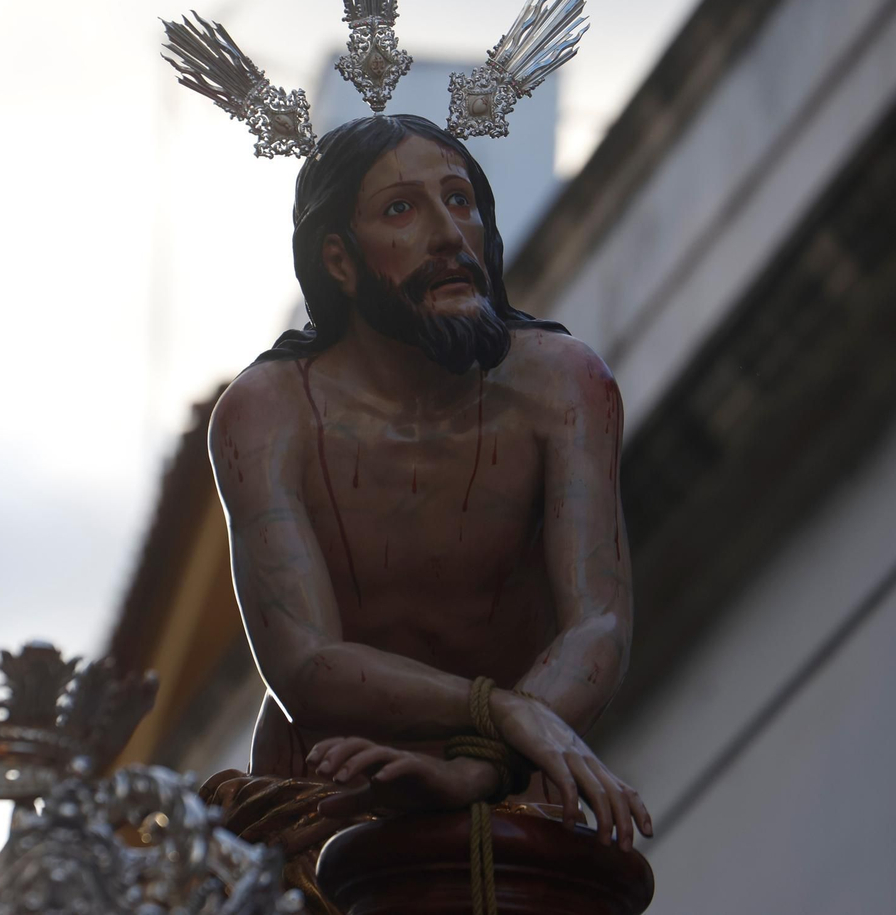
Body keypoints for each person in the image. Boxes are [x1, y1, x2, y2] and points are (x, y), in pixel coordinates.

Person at [201, 113, 653, 907]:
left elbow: (599, 625)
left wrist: (483, 762)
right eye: (403, 210)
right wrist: (503, 711)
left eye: (462, 200)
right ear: (337, 259)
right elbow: (306, 663)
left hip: (515, 786)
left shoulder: (563, 385)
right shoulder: (269, 413)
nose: (450, 233)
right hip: (329, 798)